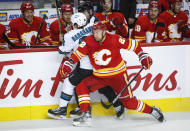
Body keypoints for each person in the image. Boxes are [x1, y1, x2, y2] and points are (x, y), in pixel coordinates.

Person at [60, 21, 165, 126]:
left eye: (97, 32)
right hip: (100, 77)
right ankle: (86, 115)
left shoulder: (114, 39)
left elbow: (134, 45)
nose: (94, 34)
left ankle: (152, 110)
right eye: (93, 32)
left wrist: (142, 55)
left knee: (129, 103)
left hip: (119, 77)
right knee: (81, 87)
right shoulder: (88, 41)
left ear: (104, 31)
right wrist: (69, 63)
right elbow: (77, 55)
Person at [47, 12, 124, 120]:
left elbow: (62, 51)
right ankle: (118, 105)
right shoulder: (92, 27)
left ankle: (63, 109)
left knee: (69, 83)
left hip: (85, 67)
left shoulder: (69, 35)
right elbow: (105, 25)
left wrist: (62, 40)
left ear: (74, 23)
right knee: (103, 85)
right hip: (99, 63)